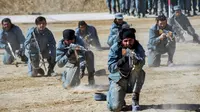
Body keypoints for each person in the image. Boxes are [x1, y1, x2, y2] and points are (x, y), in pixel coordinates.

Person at [107, 28, 146, 111]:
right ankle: (110, 95)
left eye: (131, 40)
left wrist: (136, 60)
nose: (128, 43)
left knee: (140, 71)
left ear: (134, 40)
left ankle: (135, 99)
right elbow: (110, 68)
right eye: (125, 41)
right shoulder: (115, 48)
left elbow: (143, 61)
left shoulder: (138, 46)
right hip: (118, 80)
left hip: (131, 78)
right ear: (122, 41)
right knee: (115, 108)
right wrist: (121, 62)